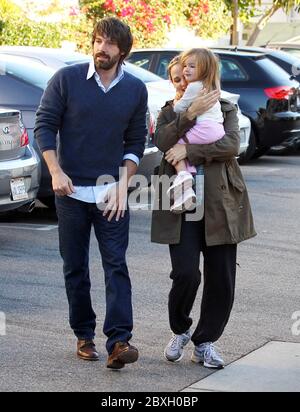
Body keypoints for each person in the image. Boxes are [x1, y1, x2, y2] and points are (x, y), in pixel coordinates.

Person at [34, 17, 148, 370]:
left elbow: (135, 142)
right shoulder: (66, 80)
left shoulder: (135, 89)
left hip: (110, 193)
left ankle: (119, 342)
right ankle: (84, 335)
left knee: (116, 265)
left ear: (122, 51)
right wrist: (55, 172)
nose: (102, 48)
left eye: (110, 43)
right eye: (98, 41)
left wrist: (122, 183)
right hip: (69, 193)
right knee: (75, 267)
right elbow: (44, 125)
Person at [151, 54, 256, 369]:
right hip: (180, 203)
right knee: (185, 273)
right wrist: (189, 115)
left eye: (187, 72)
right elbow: (161, 141)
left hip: (220, 203)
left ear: (204, 74)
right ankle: (180, 329)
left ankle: (205, 342)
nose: (181, 80)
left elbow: (231, 146)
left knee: (221, 276)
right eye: (177, 76)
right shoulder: (170, 111)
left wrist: (190, 150)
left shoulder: (226, 108)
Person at [168, 49, 225, 214]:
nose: (184, 78)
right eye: (177, 79)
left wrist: (178, 104)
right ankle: (185, 193)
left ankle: (184, 176)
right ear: (171, 82)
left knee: (175, 147)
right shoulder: (211, 87)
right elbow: (160, 138)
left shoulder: (194, 87)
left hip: (207, 129)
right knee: (181, 152)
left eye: (191, 67)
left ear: (204, 69)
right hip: (215, 129)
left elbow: (179, 108)